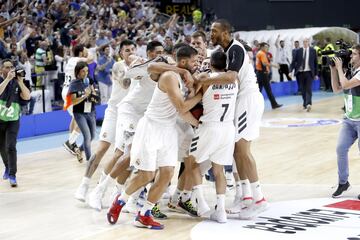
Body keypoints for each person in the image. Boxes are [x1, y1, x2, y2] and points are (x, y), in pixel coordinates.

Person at [106, 45, 202, 230]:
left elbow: (182, 112)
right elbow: (182, 108)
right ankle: (120, 201)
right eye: (193, 61)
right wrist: (199, 93)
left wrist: (199, 124)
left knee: (167, 173)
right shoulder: (169, 76)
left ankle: (145, 214)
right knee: (146, 174)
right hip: (151, 128)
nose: (196, 64)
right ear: (183, 62)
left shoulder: (183, 76)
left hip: (168, 130)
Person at [200, 19, 267, 219]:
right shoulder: (229, 50)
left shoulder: (235, 49)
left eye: (214, 30)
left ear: (226, 32)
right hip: (242, 101)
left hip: (248, 100)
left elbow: (230, 77)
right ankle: (245, 196)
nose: (211, 33)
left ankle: (260, 198)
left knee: (243, 151)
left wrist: (206, 78)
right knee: (237, 150)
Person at [74, 39, 137, 202]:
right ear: (121, 53)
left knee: (122, 153)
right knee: (102, 148)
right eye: (127, 50)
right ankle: (84, 184)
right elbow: (125, 84)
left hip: (129, 113)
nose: (130, 52)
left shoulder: (139, 66)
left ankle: (101, 189)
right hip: (115, 111)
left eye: (132, 49)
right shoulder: (118, 66)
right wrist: (138, 69)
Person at [189, 51, 238, 223]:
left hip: (209, 126)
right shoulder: (233, 79)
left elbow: (192, 95)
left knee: (193, 164)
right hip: (228, 128)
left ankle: (201, 204)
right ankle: (221, 210)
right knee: (219, 171)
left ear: (210, 64)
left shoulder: (205, 81)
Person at [330, 44, 360, 198]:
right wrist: (333, 70)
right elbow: (336, 88)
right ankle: (343, 182)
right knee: (341, 149)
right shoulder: (350, 71)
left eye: (354, 54)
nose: (351, 56)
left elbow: (347, 84)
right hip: (349, 119)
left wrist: (340, 69)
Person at [0, 59, 31, 187]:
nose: (9, 69)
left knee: (11, 147)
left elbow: (27, 96)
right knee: (2, 147)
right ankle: (7, 167)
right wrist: (7, 79)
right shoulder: (3, 81)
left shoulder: (17, 82)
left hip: (13, 121)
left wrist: (20, 82)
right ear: (1, 70)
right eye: (6, 67)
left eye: (11, 67)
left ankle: (13, 174)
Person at [62, 45, 94, 161]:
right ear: (81, 52)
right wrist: (89, 51)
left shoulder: (71, 61)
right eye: (84, 51)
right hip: (72, 90)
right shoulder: (75, 60)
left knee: (75, 118)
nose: (86, 52)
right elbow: (91, 59)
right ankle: (70, 142)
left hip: (68, 90)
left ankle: (72, 142)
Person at [65, 61, 98, 162]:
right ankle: (90, 160)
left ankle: (78, 149)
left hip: (90, 111)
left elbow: (94, 94)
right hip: (79, 113)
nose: (85, 73)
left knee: (92, 136)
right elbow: (73, 101)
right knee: (87, 136)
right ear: (78, 72)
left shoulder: (90, 80)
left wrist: (93, 95)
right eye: (83, 71)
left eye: (87, 71)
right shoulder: (74, 84)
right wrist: (85, 96)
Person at [291, 38, 317, 112]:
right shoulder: (298, 51)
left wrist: (316, 74)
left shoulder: (313, 51)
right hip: (300, 73)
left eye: (306, 41)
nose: (305, 43)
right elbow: (293, 62)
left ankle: (308, 104)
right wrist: (290, 71)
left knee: (308, 88)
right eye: (304, 42)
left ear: (308, 42)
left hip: (309, 72)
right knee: (302, 89)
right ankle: (305, 103)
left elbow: (315, 63)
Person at [256, 42, 283, 109]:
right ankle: (274, 104)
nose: (267, 48)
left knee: (258, 90)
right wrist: (275, 66)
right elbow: (264, 64)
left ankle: (255, 105)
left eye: (267, 47)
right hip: (263, 74)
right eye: (266, 47)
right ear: (262, 47)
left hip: (259, 73)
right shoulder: (262, 54)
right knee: (268, 90)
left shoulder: (259, 53)